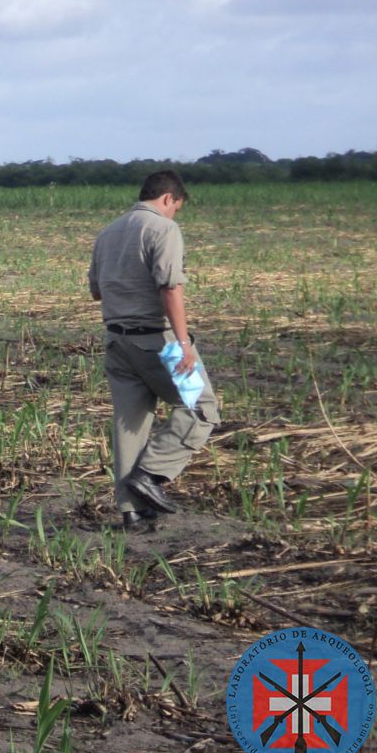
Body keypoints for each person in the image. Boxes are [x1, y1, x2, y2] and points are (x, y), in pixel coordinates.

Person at [88, 170, 219, 530]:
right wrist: (183, 343)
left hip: (117, 341)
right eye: (177, 207)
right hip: (159, 341)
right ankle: (151, 474)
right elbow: (170, 288)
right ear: (168, 199)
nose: (175, 214)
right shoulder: (164, 229)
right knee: (202, 407)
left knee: (130, 424)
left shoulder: (107, 233)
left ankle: (131, 510)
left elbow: (96, 291)